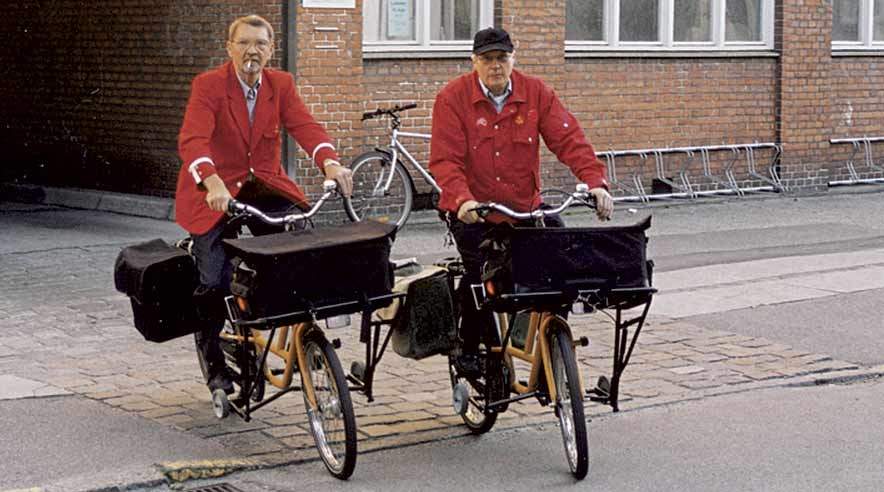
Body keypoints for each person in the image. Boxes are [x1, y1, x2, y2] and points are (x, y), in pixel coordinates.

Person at [175, 14, 352, 394]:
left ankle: (281, 336)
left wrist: (330, 162)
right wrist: (212, 180)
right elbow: (193, 140)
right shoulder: (209, 86)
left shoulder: (280, 84)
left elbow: (305, 126)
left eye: (260, 44)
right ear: (229, 48)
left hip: (263, 189)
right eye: (243, 43)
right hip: (214, 195)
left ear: (270, 49)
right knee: (215, 281)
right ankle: (215, 364)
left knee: (302, 251)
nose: (252, 51)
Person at [428, 27, 614, 375]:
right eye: (487, 59)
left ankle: (550, 338)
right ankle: (469, 347)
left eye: (502, 58)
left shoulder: (536, 92)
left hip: (523, 206)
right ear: (474, 61)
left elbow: (569, 138)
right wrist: (463, 201)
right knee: (478, 276)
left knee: (560, 257)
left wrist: (594, 182)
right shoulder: (452, 98)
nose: (495, 66)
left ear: (513, 58)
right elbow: (445, 161)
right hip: (474, 210)